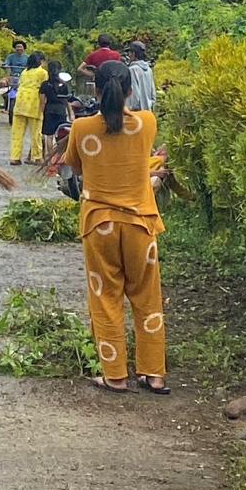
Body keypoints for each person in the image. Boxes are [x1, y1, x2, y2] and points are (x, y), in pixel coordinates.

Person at [63, 60, 168, 395]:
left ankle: (116, 375)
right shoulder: (147, 123)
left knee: (106, 297)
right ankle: (154, 374)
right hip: (141, 224)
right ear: (131, 90)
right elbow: (139, 158)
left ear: (95, 89)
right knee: (146, 297)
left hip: (99, 225)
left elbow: (76, 165)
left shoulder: (81, 128)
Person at [10, 52, 48, 164]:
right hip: (34, 103)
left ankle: (14, 157)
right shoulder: (43, 72)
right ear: (40, 61)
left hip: (20, 102)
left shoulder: (24, 72)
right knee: (36, 133)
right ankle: (37, 157)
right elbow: (44, 89)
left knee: (17, 133)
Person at [40, 62, 74, 166]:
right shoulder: (63, 85)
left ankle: (51, 160)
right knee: (61, 137)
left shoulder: (45, 84)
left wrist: (41, 113)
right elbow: (67, 101)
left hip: (49, 110)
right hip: (61, 111)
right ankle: (59, 159)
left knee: (49, 136)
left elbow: (42, 101)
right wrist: (70, 113)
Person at [2, 40, 31, 123]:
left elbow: (31, 65)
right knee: (2, 83)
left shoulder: (27, 57)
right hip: (12, 77)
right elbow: (6, 63)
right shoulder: (10, 57)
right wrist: (5, 65)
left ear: (24, 48)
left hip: (24, 78)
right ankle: (5, 100)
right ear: (15, 48)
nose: (19, 48)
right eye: (17, 47)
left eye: (20, 47)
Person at [126, 41, 157, 112]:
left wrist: (130, 109)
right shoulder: (149, 69)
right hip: (148, 111)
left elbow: (134, 94)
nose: (128, 55)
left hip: (138, 112)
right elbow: (153, 93)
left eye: (129, 53)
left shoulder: (132, 69)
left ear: (133, 54)